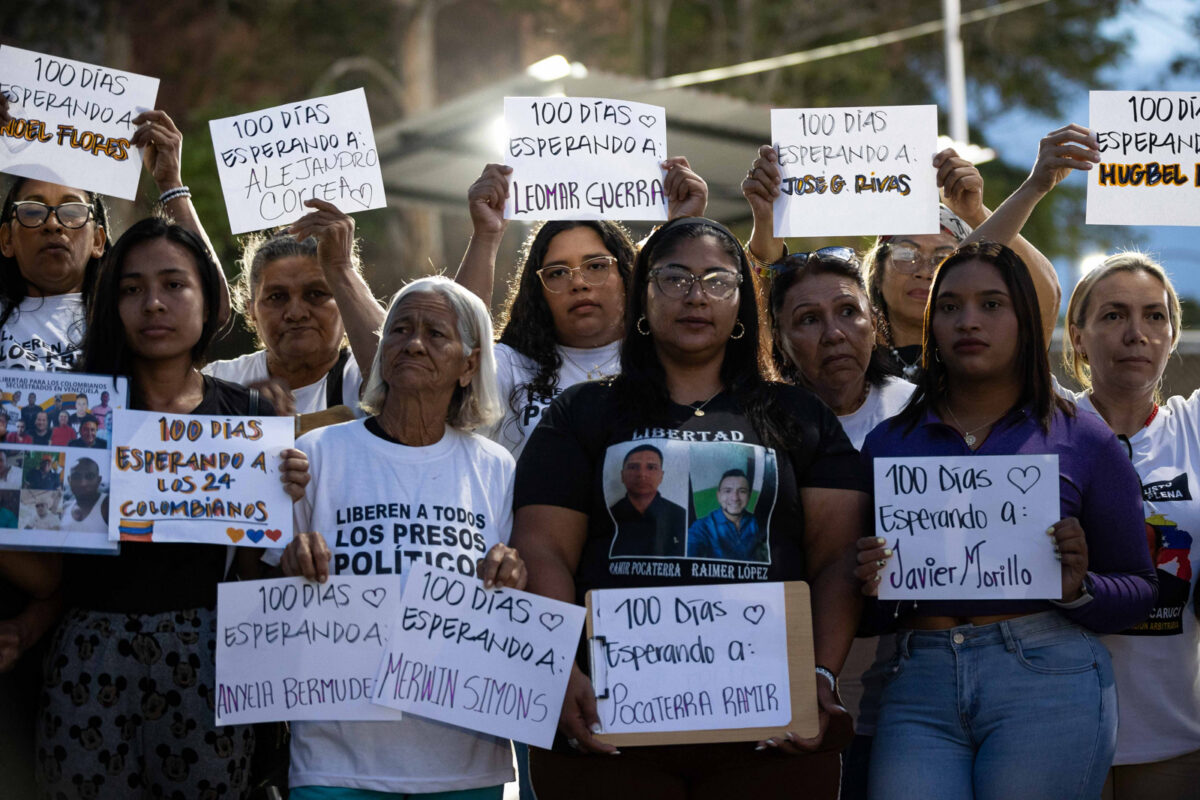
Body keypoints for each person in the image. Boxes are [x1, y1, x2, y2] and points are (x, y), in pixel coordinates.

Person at [511, 217, 868, 799]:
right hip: (607, 727)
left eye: (718, 281)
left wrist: (821, 674)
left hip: (768, 731)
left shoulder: (800, 415)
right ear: (642, 300)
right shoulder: (581, 413)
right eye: (674, 278)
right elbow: (543, 547)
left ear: (742, 306)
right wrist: (560, 670)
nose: (696, 296)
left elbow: (837, 559)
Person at [855, 241, 1157, 800]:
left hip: (1048, 682)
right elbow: (872, 615)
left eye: (992, 304)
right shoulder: (888, 443)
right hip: (915, 686)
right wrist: (869, 585)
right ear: (931, 324)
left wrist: (1078, 589)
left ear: (1025, 319)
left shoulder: (1084, 439)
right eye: (949, 307)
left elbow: (1140, 589)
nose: (968, 321)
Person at [36, 217, 309, 799]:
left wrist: (288, 497)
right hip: (89, 659)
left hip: (212, 663)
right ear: (111, 304)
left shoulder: (250, 421)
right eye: (131, 289)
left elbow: (266, 570)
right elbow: (44, 560)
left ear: (208, 299)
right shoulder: (71, 412)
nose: (152, 304)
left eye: (173, 285)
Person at [278, 276, 526, 799]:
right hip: (335, 759)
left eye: (436, 334)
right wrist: (289, 558)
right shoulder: (317, 452)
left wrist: (512, 571)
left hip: (463, 761)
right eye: (400, 330)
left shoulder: (495, 467)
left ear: (469, 364)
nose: (412, 343)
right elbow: (266, 592)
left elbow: (510, 604)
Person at [455, 159, 707, 459]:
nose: (578, 283)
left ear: (627, 275)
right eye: (558, 272)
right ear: (538, 293)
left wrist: (681, 230)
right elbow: (455, 346)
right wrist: (487, 234)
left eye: (596, 266)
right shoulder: (508, 367)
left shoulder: (670, 358)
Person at [741, 145, 1062, 379]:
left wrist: (975, 214)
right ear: (875, 274)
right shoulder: (838, 351)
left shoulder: (986, 350)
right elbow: (773, 320)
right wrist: (768, 222)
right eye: (906, 255)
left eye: (944, 258)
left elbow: (1044, 295)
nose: (925, 271)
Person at [205, 199, 382, 415]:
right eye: (277, 297)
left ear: (345, 303)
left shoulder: (360, 377)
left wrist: (341, 267)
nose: (296, 313)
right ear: (251, 310)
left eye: (316, 294)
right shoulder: (220, 383)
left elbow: (394, 372)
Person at [608, 443, 687, 557]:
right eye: (633, 467)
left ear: (661, 475)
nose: (642, 474)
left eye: (651, 467)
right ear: (622, 475)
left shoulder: (680, 516)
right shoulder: (609, 515)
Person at [686, 468, 765, 561]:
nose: (735, 498)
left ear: (749, 496)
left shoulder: (758, 523)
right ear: (718, 496)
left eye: (742, 491)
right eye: (727, 491)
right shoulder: (701, 527)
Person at [59, 458, 106, 534]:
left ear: (98, 480)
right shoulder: (64, 508)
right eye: (76, 477)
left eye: (90, 476)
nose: (82, 483)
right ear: (69, 480)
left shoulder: (108, 504)